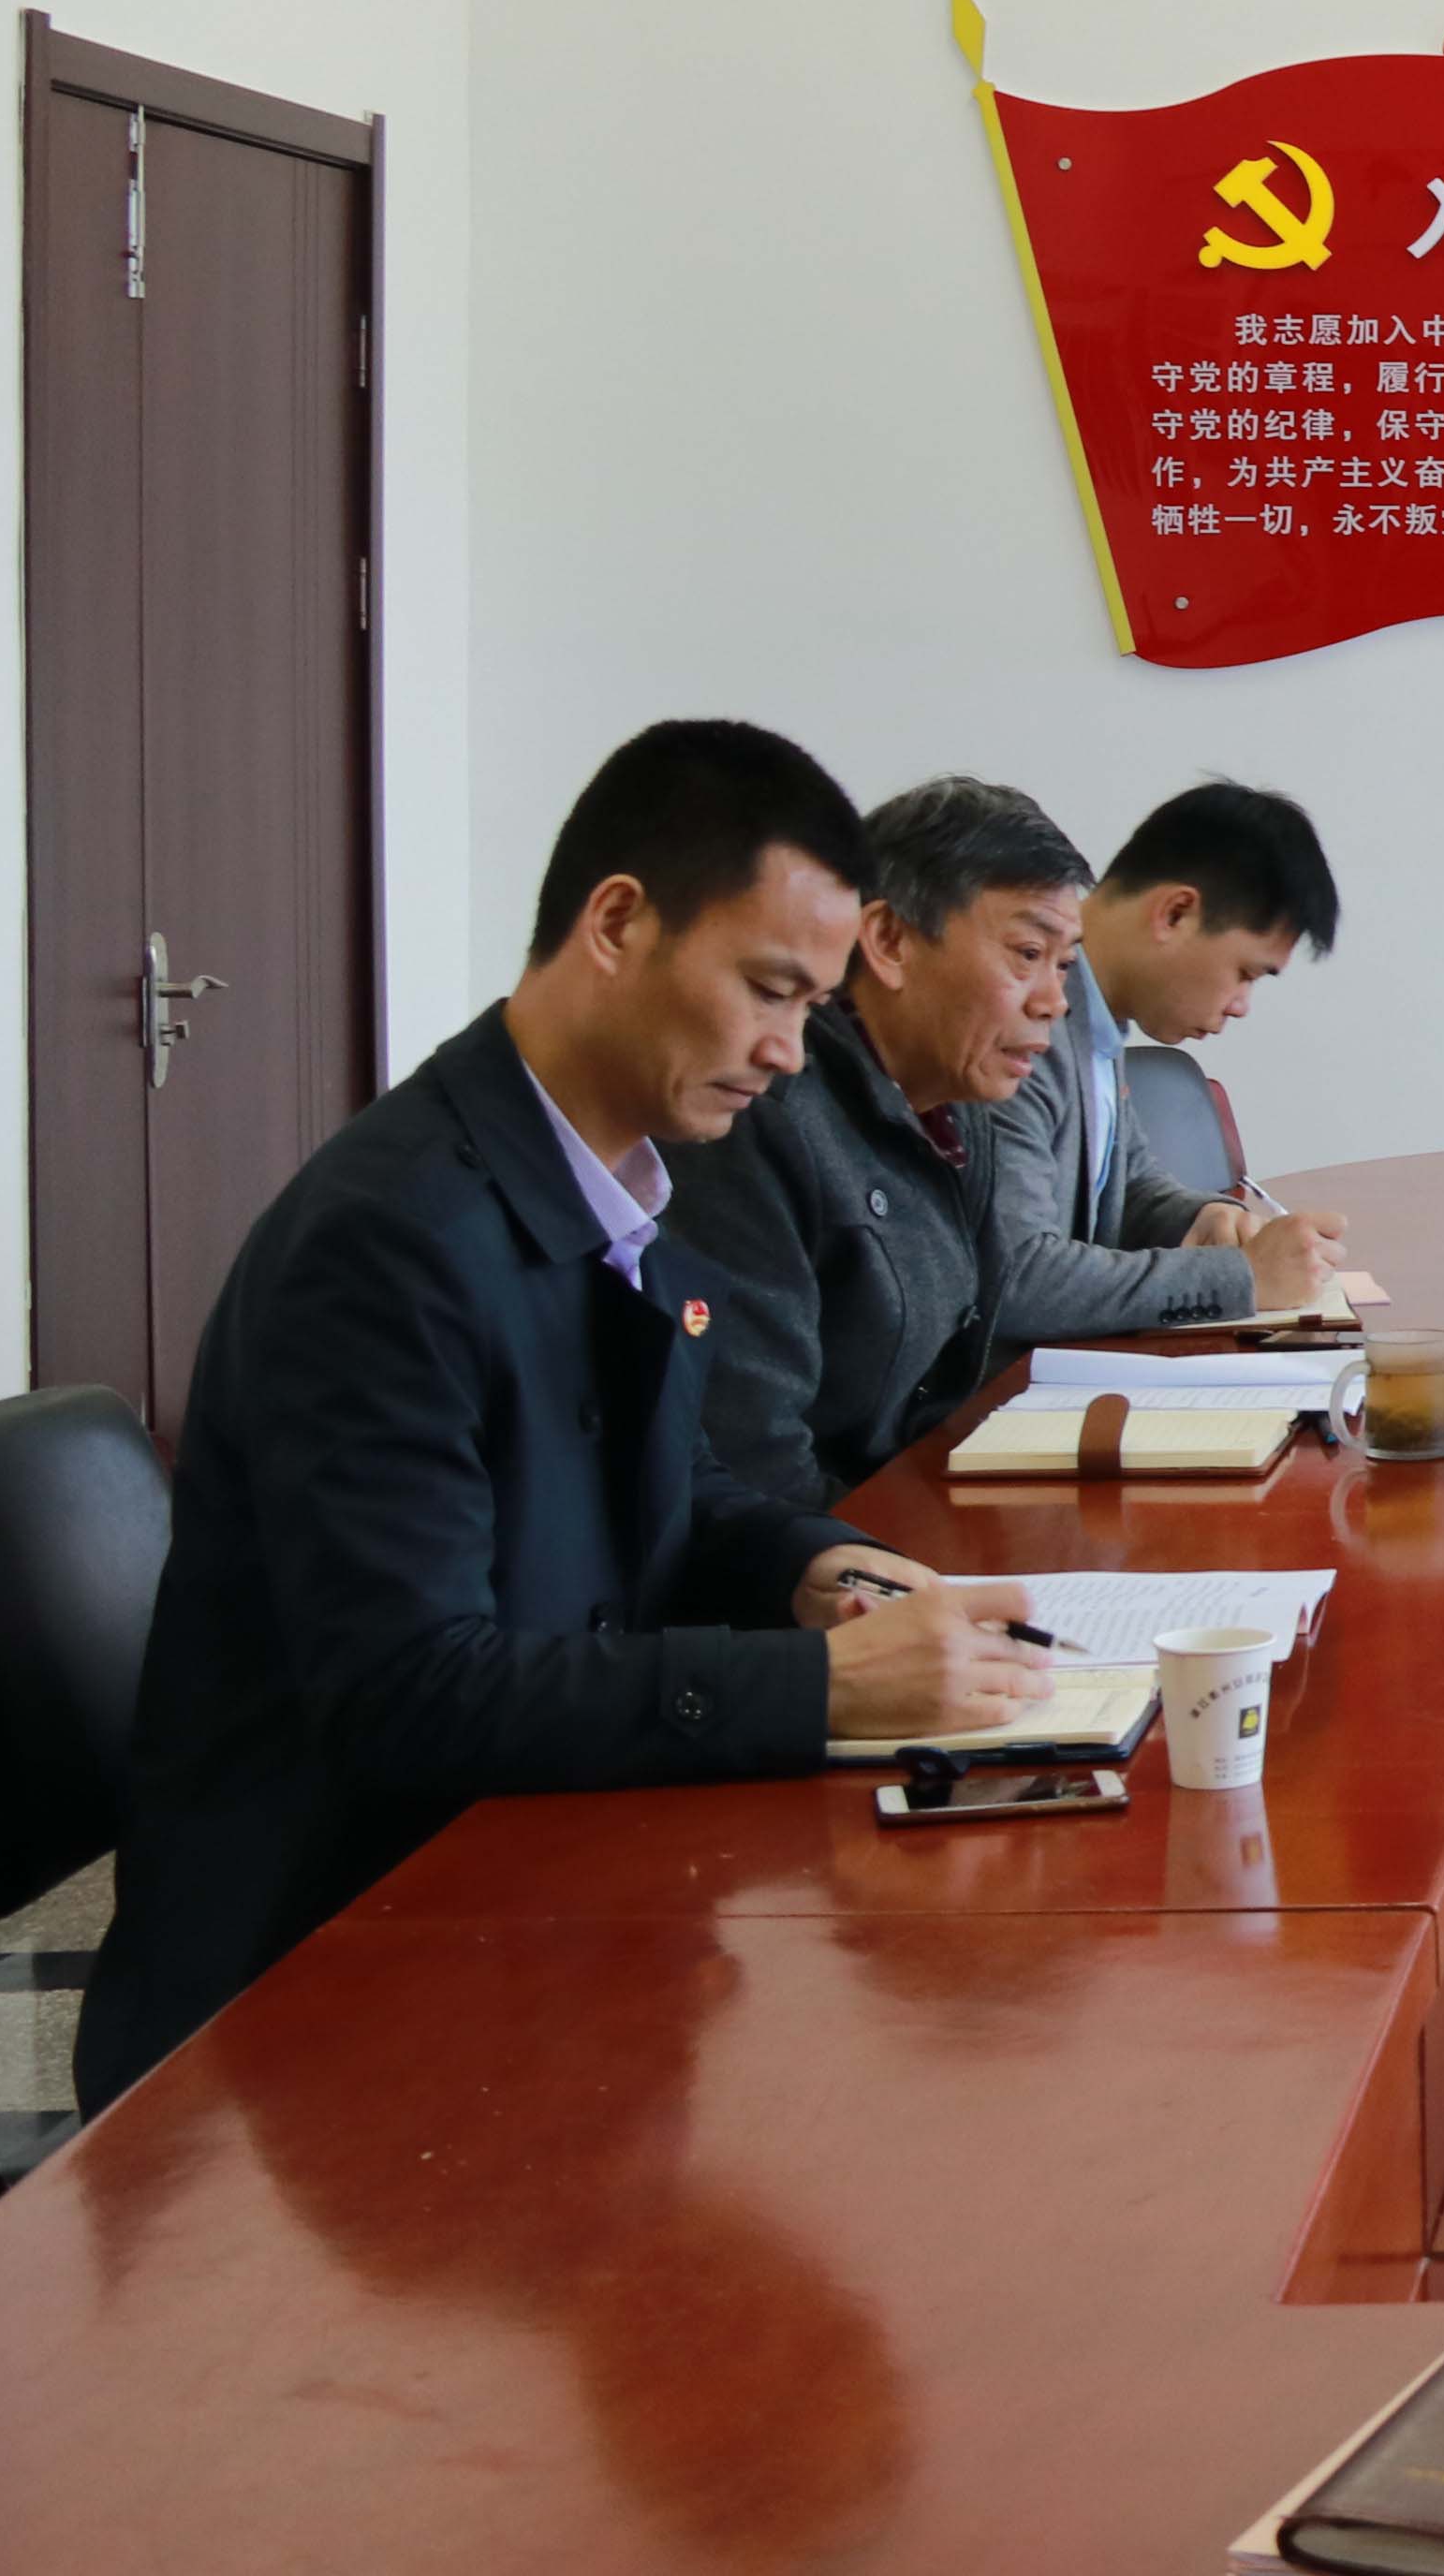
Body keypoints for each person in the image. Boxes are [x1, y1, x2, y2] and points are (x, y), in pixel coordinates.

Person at [81, 722, 1054, 2110]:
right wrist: (822, 1689)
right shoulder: (390, 1241)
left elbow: (671, 1479)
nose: (789, 1053)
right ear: (616, 922)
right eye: (768, 990)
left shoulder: (612, 1185)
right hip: (320, 1982)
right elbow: (411, 1694)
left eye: (811, 1007)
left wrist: (815, 1565)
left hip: (517, 1874)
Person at [668, 775, 1115, 1509]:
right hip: (813, 1551)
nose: (1054, 1002)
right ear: (889, 941)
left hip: (920, 1511)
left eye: (1064, 965)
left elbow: (951, 1389)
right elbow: (754, 1465)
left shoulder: (958, 1107)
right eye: (1027, 952)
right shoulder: (764, 1117)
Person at [976, 778, 1350, 1344]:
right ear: (1175, 913)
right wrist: (1241, 1277)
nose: (1242, 1005)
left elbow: (1126, 1185)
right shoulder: (1029, 1025)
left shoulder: (1096, 1020)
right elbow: (1020, 1279)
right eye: (1245, 973)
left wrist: (1203, 1218)